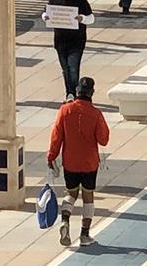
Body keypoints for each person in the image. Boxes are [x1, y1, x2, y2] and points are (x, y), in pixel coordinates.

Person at [47, 76, 110, 248]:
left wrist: (51, 156)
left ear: (76, 92)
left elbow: (56, 137)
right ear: (92, 93)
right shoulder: (96, 114)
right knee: (88, 197)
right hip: (89, 163)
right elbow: (104, 140)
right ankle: (84, 234)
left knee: (71, 193)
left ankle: (65, 220)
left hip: (70, 162)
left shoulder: (65, 110)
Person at [42, 0, 94, 101]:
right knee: (65, 69)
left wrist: (82, 18)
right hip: (60, 42)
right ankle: (69, 92)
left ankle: (74, 93)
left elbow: (91, 18)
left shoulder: (81, 1)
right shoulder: (54, 1)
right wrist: (45, 17)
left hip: (76, 42)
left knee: (73, 68)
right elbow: (45, 13)